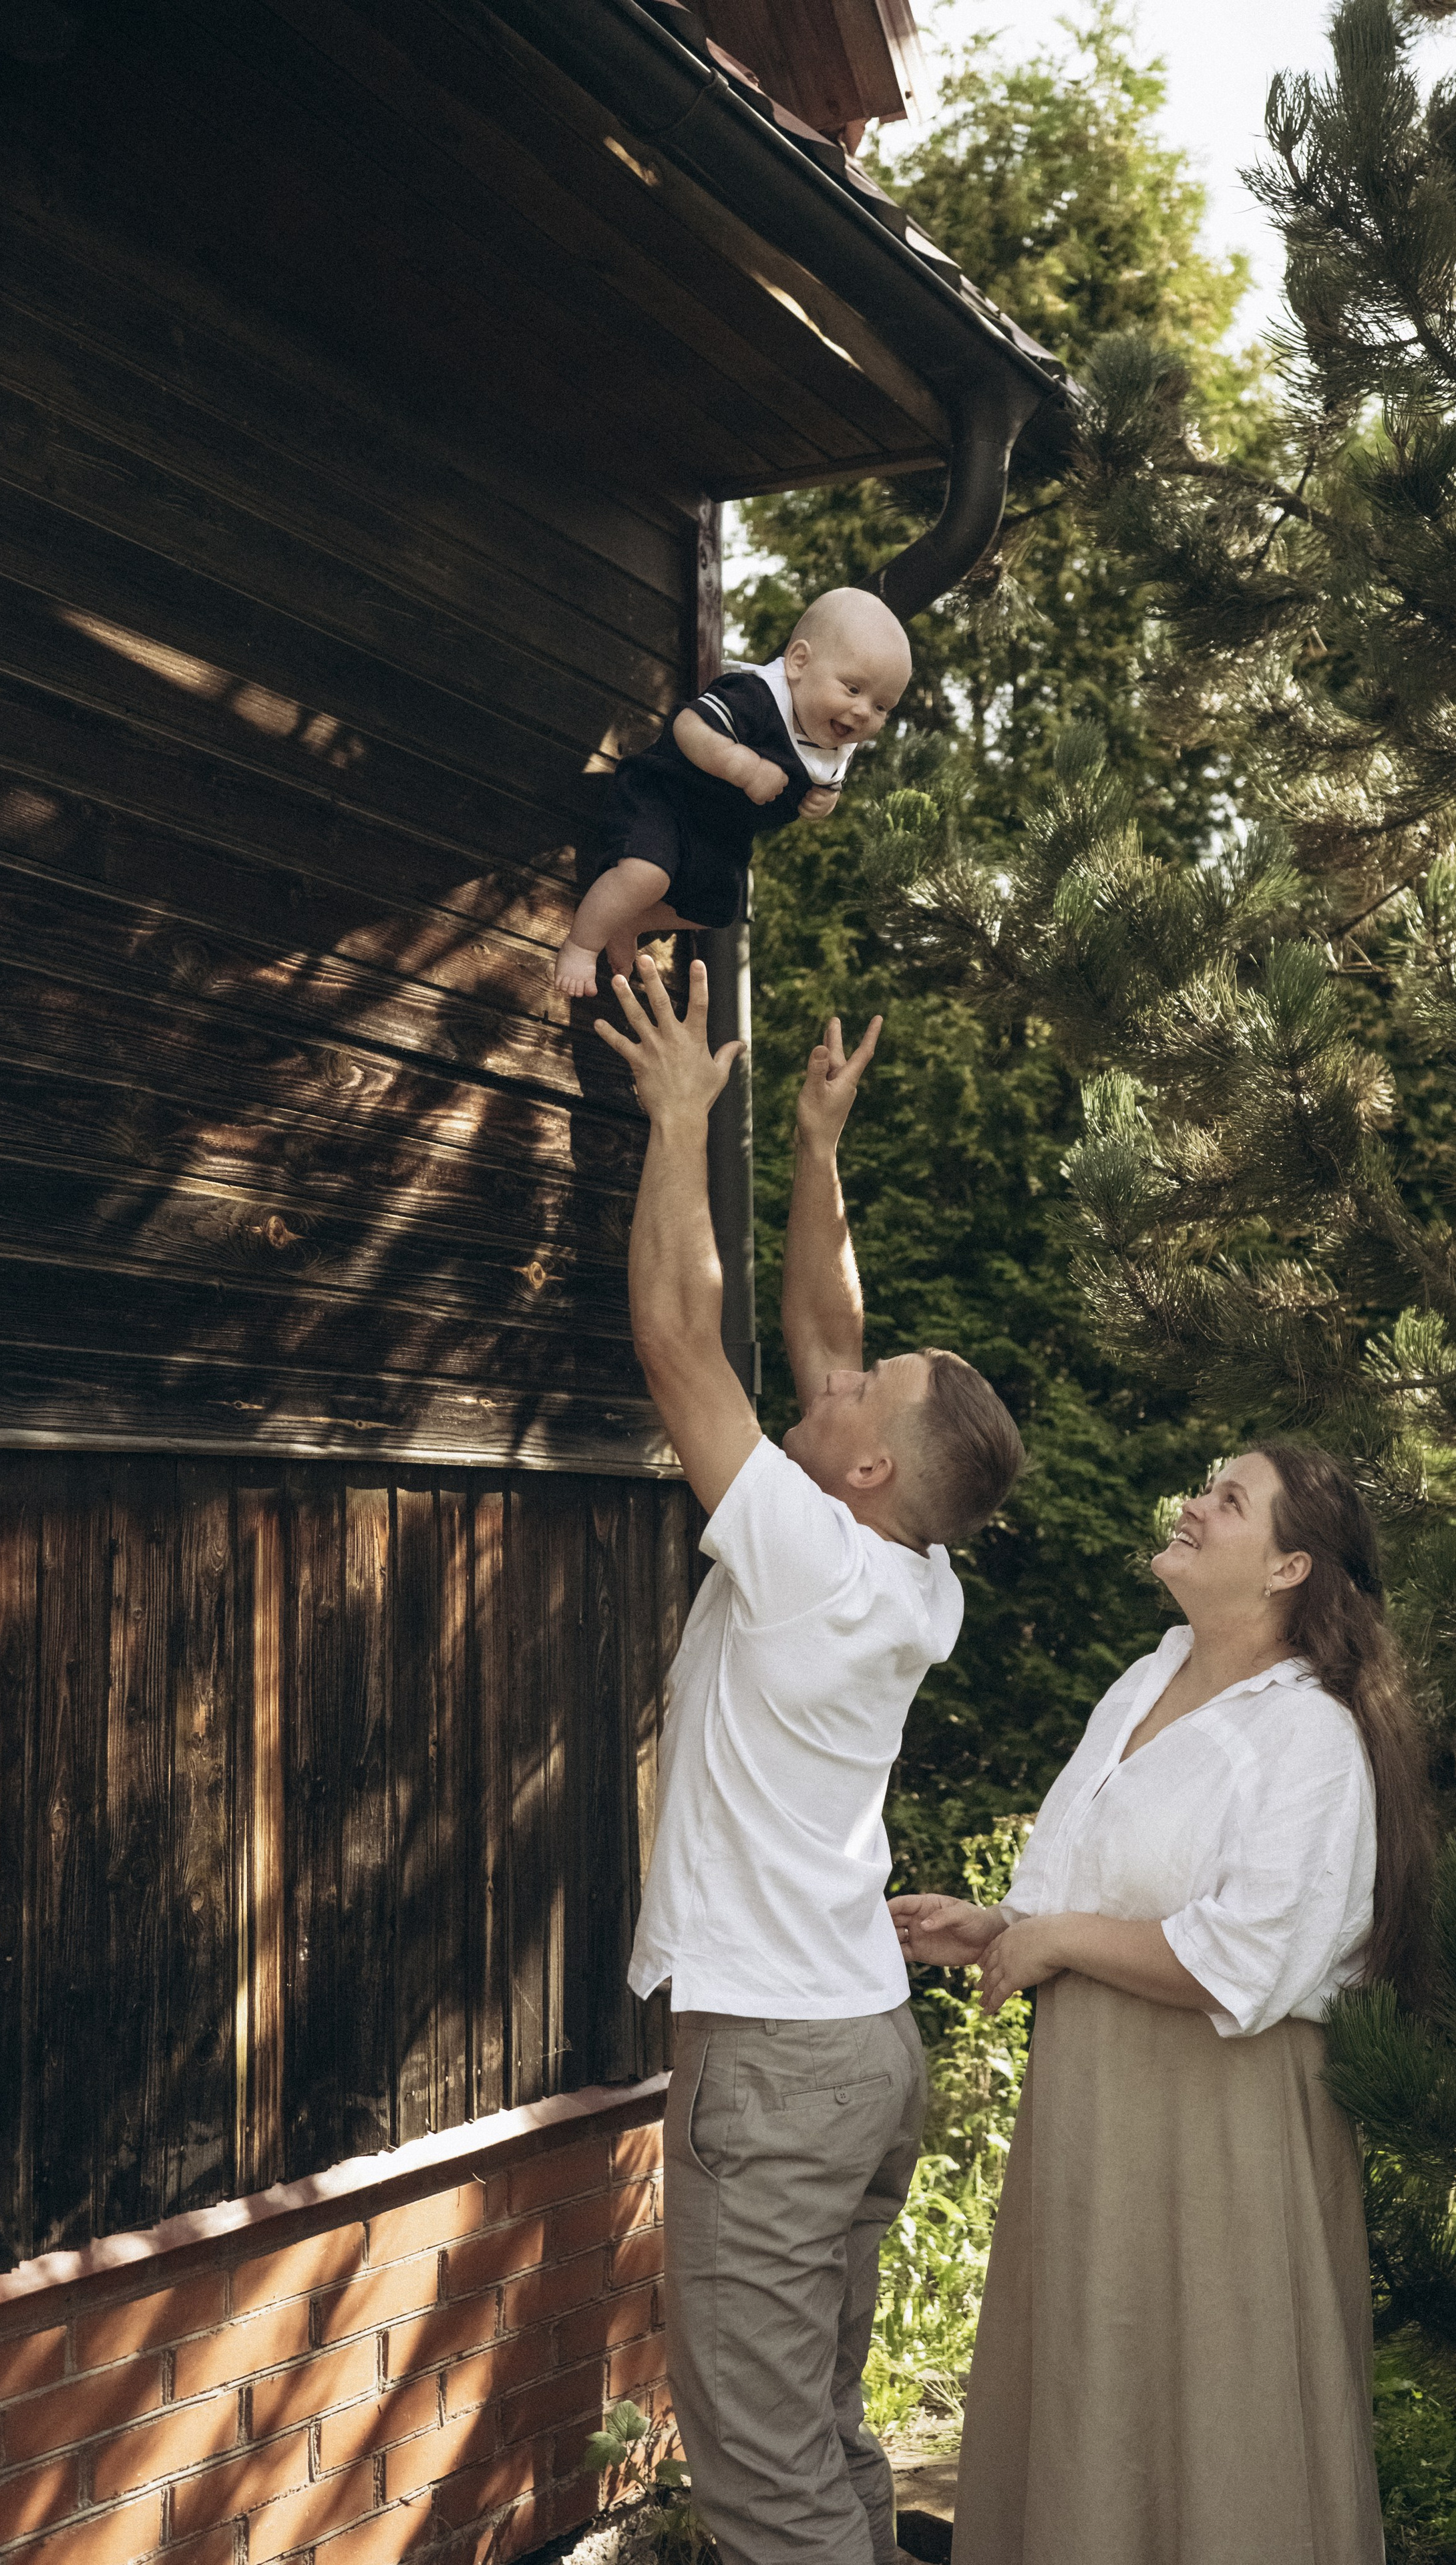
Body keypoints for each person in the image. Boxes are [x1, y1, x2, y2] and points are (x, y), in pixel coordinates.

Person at [595, 953, 1024, 2565]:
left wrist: (681, 1118)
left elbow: (671, 1338)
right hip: (856, 2051)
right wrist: (816, 1151)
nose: (840, 1367)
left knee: (762, 2477)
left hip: (775, 2071)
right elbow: (820, 1334)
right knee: (828, 2437)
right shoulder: (909, 1573)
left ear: (858, 1463)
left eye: (863, 1391)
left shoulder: (810, 1560)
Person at [891, 1445, 1436, 2565]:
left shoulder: (1314, 1736)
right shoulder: (1148, 1677)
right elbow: (1097, 1894)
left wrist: (1057, 1937)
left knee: (1219, 2415)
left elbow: (1247, 1956)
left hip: (1220, 2123)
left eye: (1227, 1500)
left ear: (1291, 1566)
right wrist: (1001, 1929)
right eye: (1202, 1486)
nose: (1190, 1504)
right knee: (1093, 2398)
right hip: (1093, 2106)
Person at [555, 588, 911, 996]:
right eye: (852, 689)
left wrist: (823, 803)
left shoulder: (835, 746)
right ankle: (581, 944)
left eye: (882, 707)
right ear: (799, 663)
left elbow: (828, 787)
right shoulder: (756, 698)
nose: (864, 711)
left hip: (720, 834)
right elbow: (688, 725)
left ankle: (631, 921)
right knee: (646, 874)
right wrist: (740, 764)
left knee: (718, 909)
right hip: (667, 797)